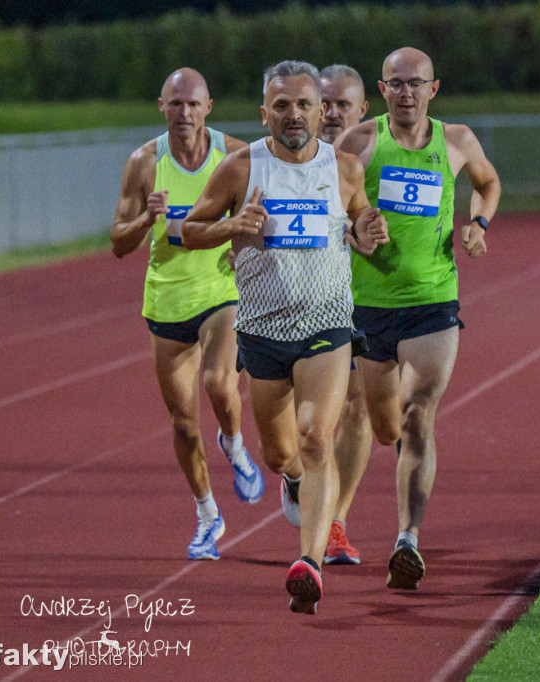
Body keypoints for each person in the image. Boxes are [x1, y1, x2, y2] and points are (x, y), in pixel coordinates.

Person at [181, 60, 389, 614]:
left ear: (322, 112)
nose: (293, 114)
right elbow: (189, 230)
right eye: (281, 105)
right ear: (264, 112)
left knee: (318, 438)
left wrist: (369, 232)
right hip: (263, 333)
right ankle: (293, 480)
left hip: (326, 326)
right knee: (281, 454)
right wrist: (230, 227)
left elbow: (363, 224)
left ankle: (310, 564)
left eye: (303, 104)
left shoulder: (343, 168)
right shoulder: (239, 167)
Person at [335, 46, 501, 590]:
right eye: (396, 83)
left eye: (417, 83)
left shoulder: (457, 142)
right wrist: (355, 234)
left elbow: (488, 183)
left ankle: (407, 537)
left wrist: (478, 223)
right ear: (381, 91)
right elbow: (328, 207)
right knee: (385, 428)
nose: (407, 92)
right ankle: (397, 490)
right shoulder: (358, 144)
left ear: (434, 89)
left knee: (417, 414)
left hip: (433, 302)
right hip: (370, 307)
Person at [110, 67, 264, 562]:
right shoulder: (143, 163)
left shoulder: (235, 155)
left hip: (221, 291)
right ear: (161, 107)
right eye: (175, 104)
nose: (184, 113)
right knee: (182, 425)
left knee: (219, 383)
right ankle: (207, 517)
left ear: (209, 107)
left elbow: (261, 214)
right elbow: (117, 243)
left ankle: (236, 446)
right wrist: (147, 219)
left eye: (193, 104)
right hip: (167, 301)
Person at [317, 63, 372, 565]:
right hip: (295, 308)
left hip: (364, 303)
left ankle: (336, 522)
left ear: (363, 111)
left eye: (342, 105)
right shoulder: (281, 156)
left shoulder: (377, 161)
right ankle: (299, 475)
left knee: (359, 409)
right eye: (325, 103)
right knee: (298, 430)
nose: (332, 113)